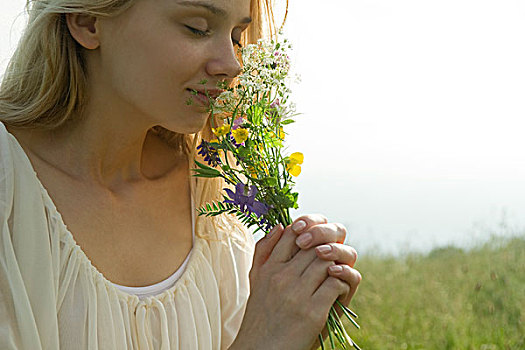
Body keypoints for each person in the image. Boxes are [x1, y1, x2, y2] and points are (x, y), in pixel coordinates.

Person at [0, 0, 361, 349]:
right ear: (87, 20)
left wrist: (297, 326)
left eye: (236, 37)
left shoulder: (207, 193)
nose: (232, 65)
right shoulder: (10, 190)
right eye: (197, 28)